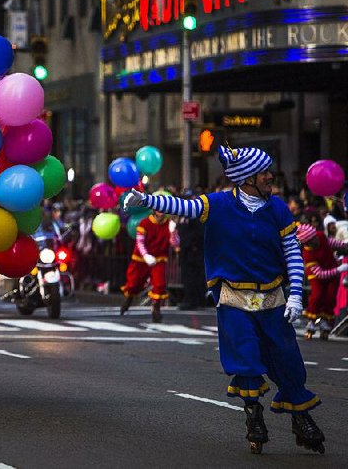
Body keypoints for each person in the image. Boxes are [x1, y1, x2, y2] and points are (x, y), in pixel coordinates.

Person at [123, 145, 325, 454]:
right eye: (264, 172)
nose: (271, 176)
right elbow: (182, 206)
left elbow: (292, 252)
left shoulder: (279, 209)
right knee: (244, 356)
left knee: (287, 357)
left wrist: (296, 293)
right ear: (247, 178)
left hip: (273, 296)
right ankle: (253, 415)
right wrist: (147, 200)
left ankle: (301, 416)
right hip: (234, 296)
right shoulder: (217, 204)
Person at [119, 205, 179, 322]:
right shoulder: (145, 223)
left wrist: (173, 232)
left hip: (159, 259)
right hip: (141, 259)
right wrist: (146, 256)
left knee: (159, 284)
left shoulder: (169, 224)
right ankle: (128, 299)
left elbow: (175, 244)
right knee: (134, 284)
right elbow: (139, 242)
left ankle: (156, 310)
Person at [296, 223, 348, 340]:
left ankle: (325, 320)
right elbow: (320, 274)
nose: (316, 240)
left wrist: (344, 246)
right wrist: (339, 269)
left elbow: (331, 243)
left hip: (331, 268)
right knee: (317, 295)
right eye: (312, 240)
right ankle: (311, 321)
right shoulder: (308, 255)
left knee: (330, 296)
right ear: (307, 242)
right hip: (318, 276)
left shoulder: (320, 236)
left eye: (315, 237)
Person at [177, 189, 207, 310]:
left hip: (194, 249)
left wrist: (193, 245)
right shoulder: (183, 215)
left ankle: (195, 299)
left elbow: (199, 232)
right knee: (187, 275)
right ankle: (191, 298)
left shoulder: (196, 214)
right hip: (185, 249)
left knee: (195, 275)